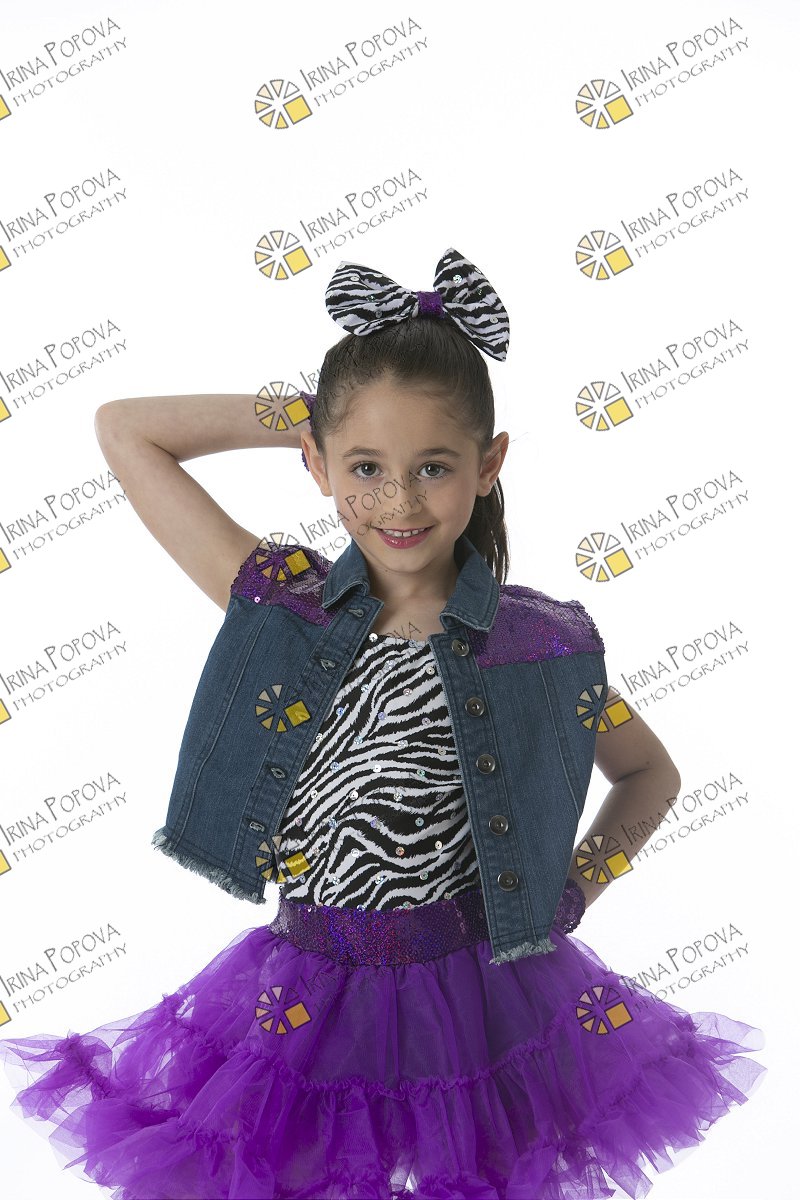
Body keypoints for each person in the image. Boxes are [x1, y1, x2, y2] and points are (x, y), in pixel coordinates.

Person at [0, 249, 765, 1199]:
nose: (398, 500)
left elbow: (650, 774)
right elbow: (126, 430)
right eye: (365, 466)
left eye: (433, 467)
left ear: (488, 465)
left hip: (480, 997)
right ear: (319, 465)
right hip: (306, 993)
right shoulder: (280, 604)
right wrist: (310, 416)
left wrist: (572, 893)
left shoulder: (540, 646)